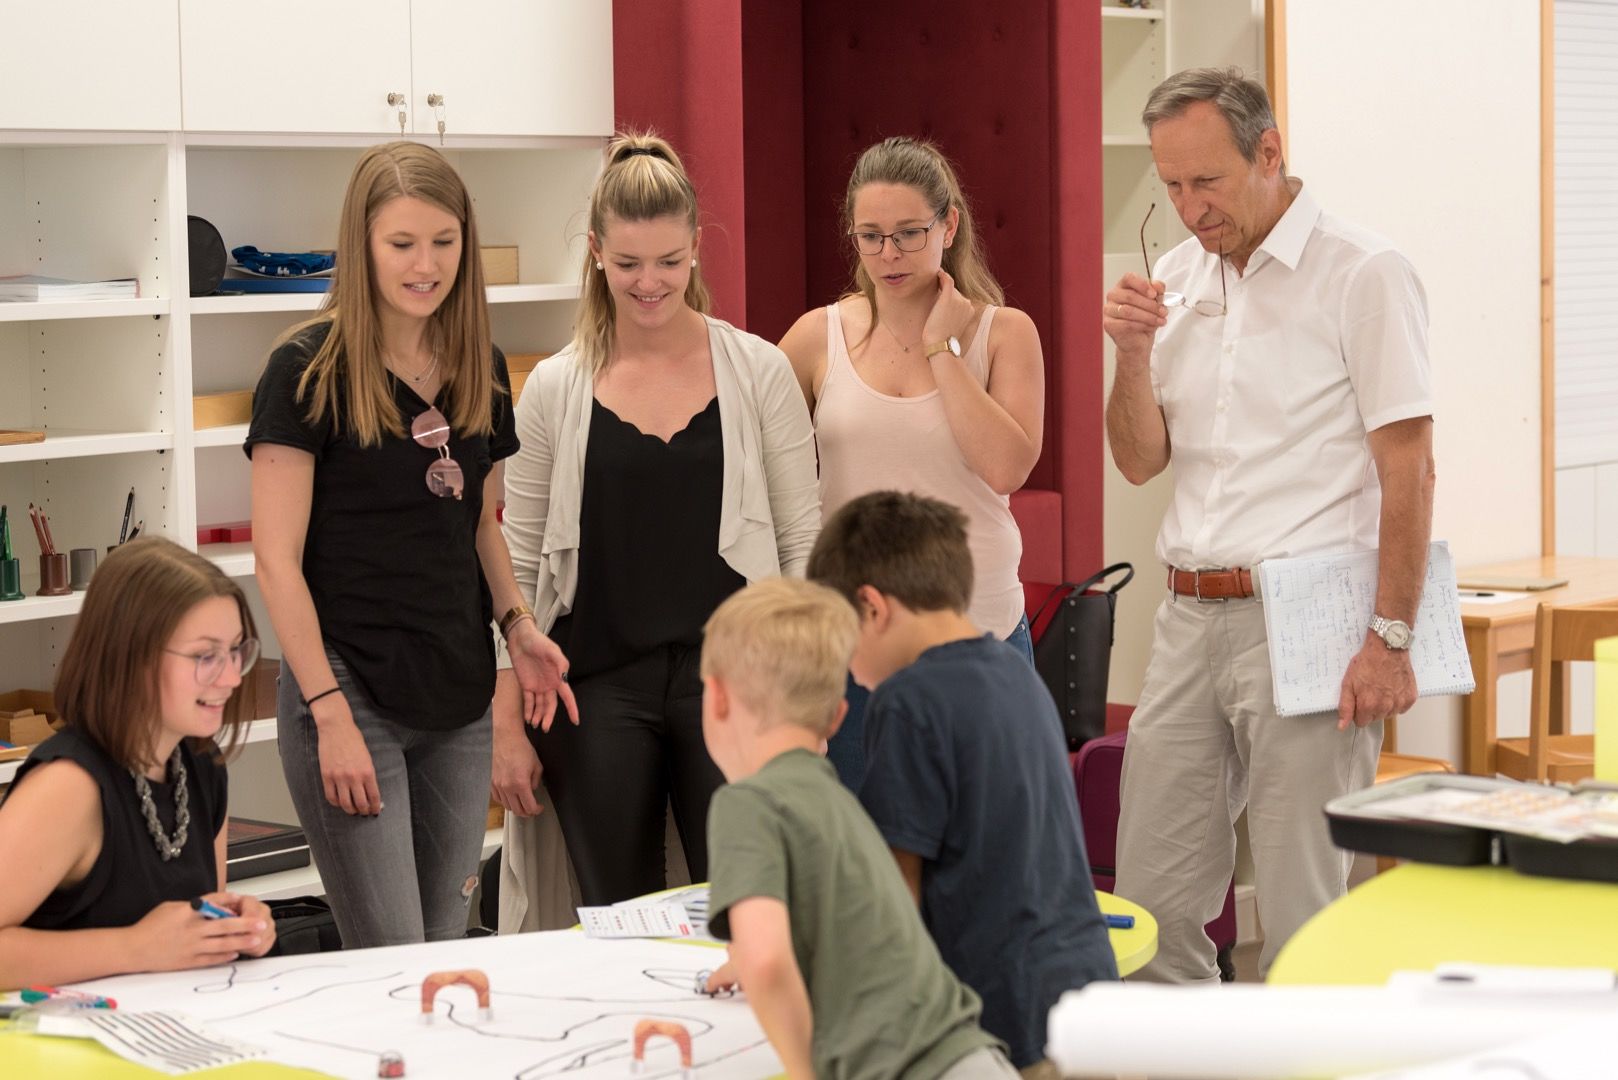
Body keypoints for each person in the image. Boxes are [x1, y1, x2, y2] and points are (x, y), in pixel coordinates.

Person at [1103, 67, 1435, 981]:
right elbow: (1138, 460)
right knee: (1151, 908)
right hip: (1185, 615)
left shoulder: (1364, 273)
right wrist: (1130, 356)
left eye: (1206, 181)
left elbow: (1409, 470)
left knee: (1301, 918)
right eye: (1172, 186)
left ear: (1270, 152)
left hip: (1310, 616)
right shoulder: (1175, 277)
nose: (1188, 208)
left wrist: (1391, 638)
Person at [247, 140, 573, 949]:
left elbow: (481, 525)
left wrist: (518, 626)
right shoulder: (303, 370)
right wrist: (328, 713)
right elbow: (275, 564)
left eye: (443, 242)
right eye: (401, 244)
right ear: (361, 246)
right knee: (389, 961)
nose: (426, 266)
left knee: (443, 949)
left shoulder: (480, 366)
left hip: (456, 696)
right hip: (349, 690)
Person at [492, 132, 820, 915]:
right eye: (629, 263)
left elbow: (802, 543)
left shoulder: (760, 371)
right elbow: (515, 565)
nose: (649, 283)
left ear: (697, 247)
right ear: (596, 252)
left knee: (748, 909)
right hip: (593, 690)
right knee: (619, 919)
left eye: (669, 261)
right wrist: (504, 724)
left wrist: (807, 695)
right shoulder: (553, 388)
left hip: (736, 680)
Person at [806, 491, 1117, 1079]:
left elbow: (894, 897)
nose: (847, 668)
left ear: (871, 607)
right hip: (1091, 996)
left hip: (1009, 1025)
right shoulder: (1017, 673)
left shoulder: (906, 700)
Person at [777, 136, 1045, 790]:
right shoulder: (817, 336)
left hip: (979, 627)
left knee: (983, 838)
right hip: (853, 640)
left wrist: (941, 348)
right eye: (870, 237)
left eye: (908, 234)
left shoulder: (1004, 333)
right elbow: (758, 468)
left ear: (948, 226)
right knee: (864, 842)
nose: (888, 255)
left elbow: (1007, 468)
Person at [699, 577, 1016, 1080]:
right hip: (973, 1057)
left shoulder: (747, 802)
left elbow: (766, 963)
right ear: (837, 717)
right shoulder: (840, 801)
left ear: (717, 697)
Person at [0, 538, 276, 985]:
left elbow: (194, 924)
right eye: (205, 656)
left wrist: (231, 928)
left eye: (235, 652)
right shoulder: (68, 786)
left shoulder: (202, 765)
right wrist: (135, 947)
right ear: (131, 656)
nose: (230, 678)